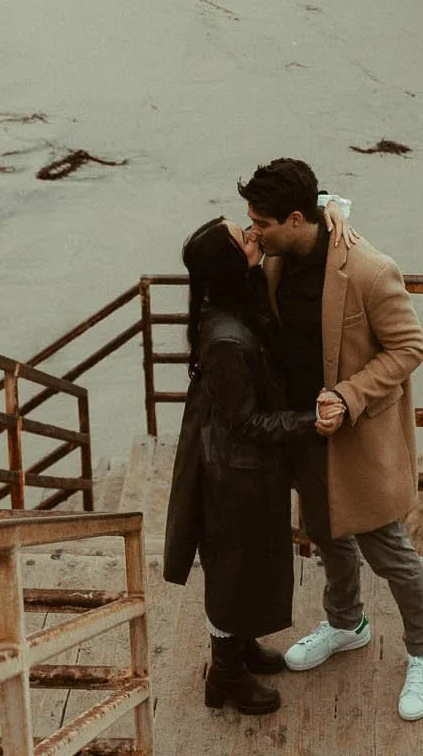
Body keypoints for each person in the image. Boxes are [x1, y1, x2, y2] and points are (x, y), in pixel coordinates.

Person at [239, 155, 423, 724]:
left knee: (390, 553)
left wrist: (350, 395)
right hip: (302, 432)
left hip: (358, 437)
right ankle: (347, 623)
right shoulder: (282, 255)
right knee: (327, 535)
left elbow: (410, 349)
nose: (253, 229)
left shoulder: (371, 270)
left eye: (261, 222)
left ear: (298, 218)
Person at [161, 214, 319, 716]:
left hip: (243, 467)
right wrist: (309, 422)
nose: (253, 235)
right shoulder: (226, 339)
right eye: (242, 237)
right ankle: (225, 676)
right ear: (232, 263)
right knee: (232, 569)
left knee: (247, 564)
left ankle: (240, 651)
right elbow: (248, 424)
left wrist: (331, 210)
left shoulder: (231, 302)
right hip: (233, 473)